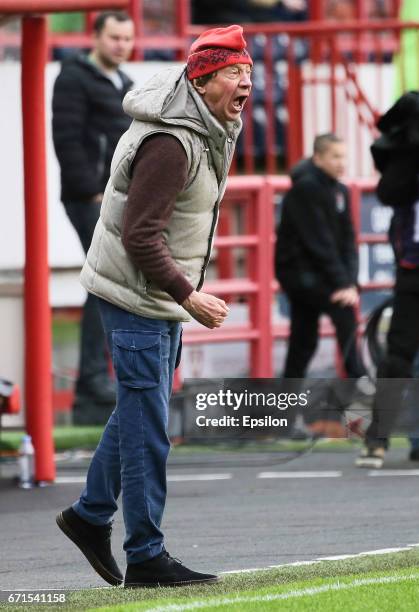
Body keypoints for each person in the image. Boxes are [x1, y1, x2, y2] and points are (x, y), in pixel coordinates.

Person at [55, 25, 253, 588]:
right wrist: (189, 295)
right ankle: (145, 554)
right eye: (235, 73)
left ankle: (90, 515)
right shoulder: (171, 141)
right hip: (139, 294)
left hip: (153, 296)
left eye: (249, 73)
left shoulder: (204, 122)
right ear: (205, 77)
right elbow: (142, 238)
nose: (246, 84)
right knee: (148, 429)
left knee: (137, 413)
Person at [52, 11, 135, 423]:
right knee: (103, 283)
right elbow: (66, 140)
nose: (122, 45)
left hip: (115, 198)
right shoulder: (74, 78)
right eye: (115, 37)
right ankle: (92, 381)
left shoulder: (125, 83)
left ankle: (98, 378)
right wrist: (92, 192)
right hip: (91, 198)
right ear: (96, 38)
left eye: (127, 38)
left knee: (107, 282)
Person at [356, 95, 419, 467]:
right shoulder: (410, 161)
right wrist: (411, 148)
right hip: (417, 275)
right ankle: (378, 438)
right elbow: (388, 192)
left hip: (416, 272)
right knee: (399, 359)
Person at [275, 134, 366, 390]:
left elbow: (348, 239)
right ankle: (360, 384)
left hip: (322, 276)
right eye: (335, 156)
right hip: (302, 276)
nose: (342, 163)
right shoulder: (305, 189)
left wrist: (350, 281)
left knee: (303, 341)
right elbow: (319, 242)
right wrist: (343, 284)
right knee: (343, 316)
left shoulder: (340, 190)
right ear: (318, 158)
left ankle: (285, 411)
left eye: (344, 156)